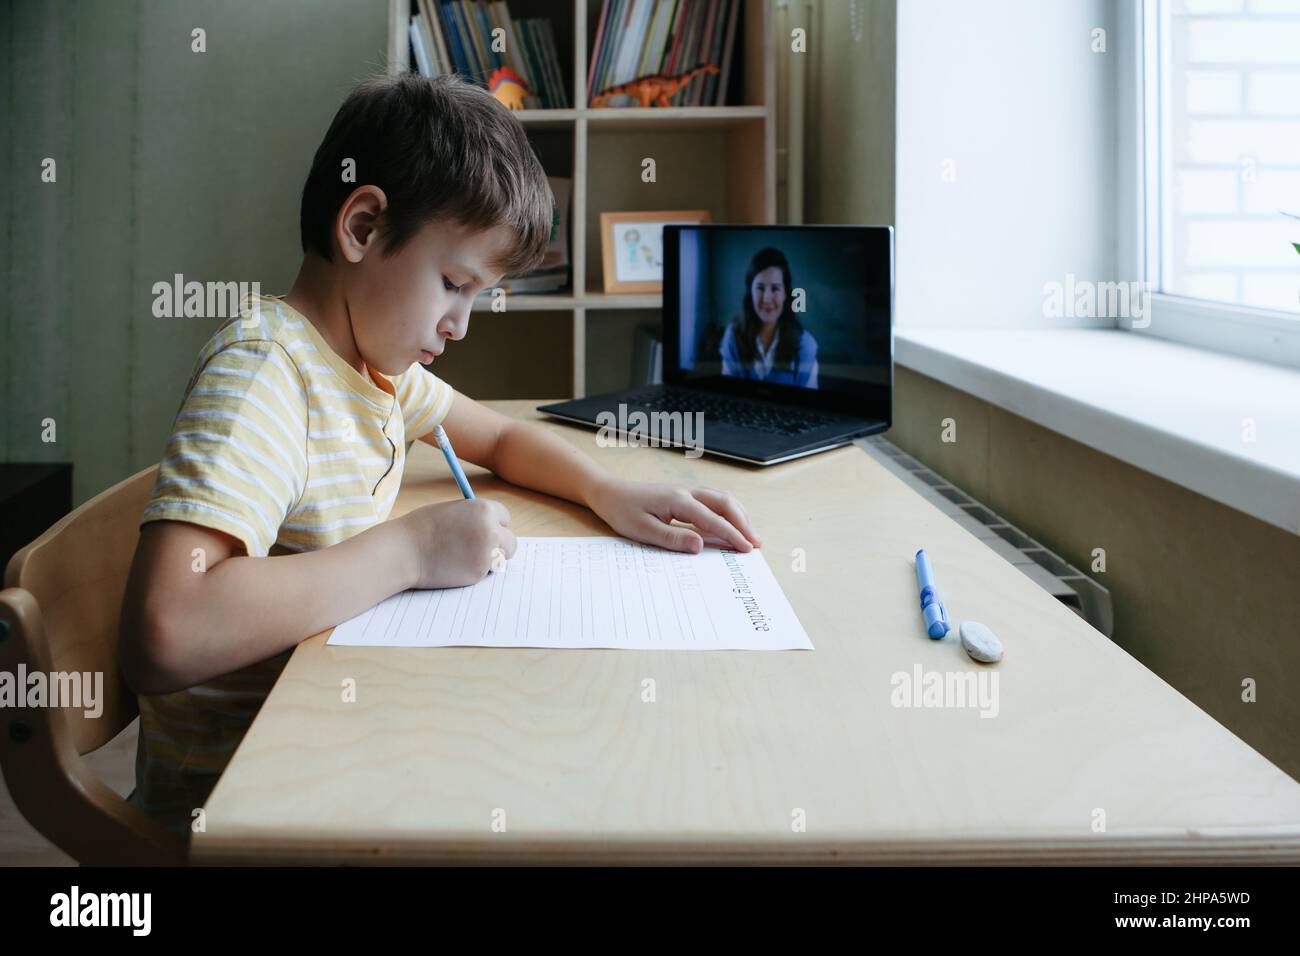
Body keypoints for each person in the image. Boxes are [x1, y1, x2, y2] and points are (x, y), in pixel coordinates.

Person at [117, 73, 762, 839]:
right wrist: (411, 551)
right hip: (244, 799)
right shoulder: (268, 377)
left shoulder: (369, 365)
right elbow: (167, 632)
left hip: (334, 730)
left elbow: (499, 437)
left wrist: (606, 489)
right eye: (454, 284)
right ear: (361, 227)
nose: (460, 324)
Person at [718, 247, 819, 388]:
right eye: (760, 288)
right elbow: (726, 393)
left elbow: (810, 405)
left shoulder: (805, 346)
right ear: (750, 293)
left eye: (775, 288)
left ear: (785, 294)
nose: (766, 299)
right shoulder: (733, 337)